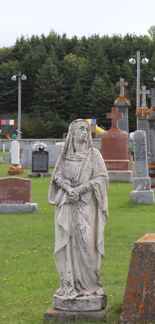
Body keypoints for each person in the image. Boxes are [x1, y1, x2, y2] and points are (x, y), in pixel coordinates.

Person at [49, 119, 109, 300]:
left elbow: (101, 178)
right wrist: (68, 188)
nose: (84, 132)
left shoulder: (94, 155)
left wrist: (80, 189)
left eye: (86, 129)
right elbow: (57, 176)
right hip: (68, 205)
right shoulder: (65, 156)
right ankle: (69, 284)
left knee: (87, 242)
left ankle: (91, 284)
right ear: (72, 133)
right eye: (80, 129)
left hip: (85, 206)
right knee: (69, 244)